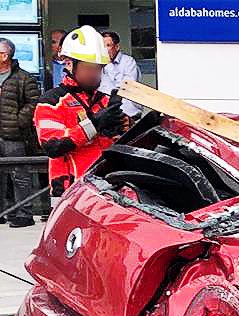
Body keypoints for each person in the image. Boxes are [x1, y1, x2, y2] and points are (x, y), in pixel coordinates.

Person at [34, 25, 126, 200]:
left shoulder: (105, 101)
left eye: (98, 69)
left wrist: (123, 128)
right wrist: (95, 124)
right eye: (89, 68)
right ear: (70, 64)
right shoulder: (51, 102)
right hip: (70, 193)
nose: (95, 74)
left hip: (107, 189)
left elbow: (121, 145)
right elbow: (53, 146)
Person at [0, 37, 41, 228]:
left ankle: (23, 213)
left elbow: (34, 103)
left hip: (14, 135)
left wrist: (18, 121)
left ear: (5, 55)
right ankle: (2, 211)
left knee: (19, 175)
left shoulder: (24, 78)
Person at [99, 31, 141, 118]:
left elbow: (126, 87)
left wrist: (109, 65)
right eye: (101, 47)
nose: (104, 50)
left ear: (117, 47)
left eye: (108, 46)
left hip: (127, 114)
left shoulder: (129, 62)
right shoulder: (97, 64)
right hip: (105, 115)